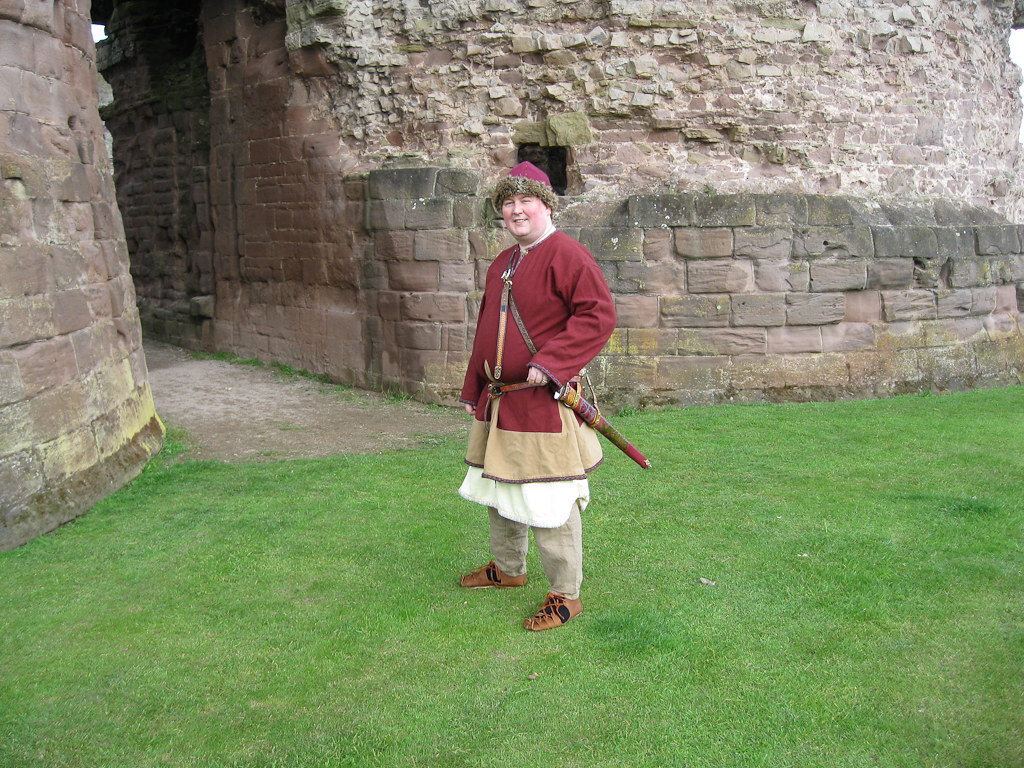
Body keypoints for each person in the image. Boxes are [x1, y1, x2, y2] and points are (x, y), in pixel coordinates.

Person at [457, 161, 616, 631]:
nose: (515, 210)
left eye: (525, 200)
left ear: (546, 205)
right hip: (499, 400)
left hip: (540, 403)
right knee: (499, 488)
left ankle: (565, 596)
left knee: (549, 499)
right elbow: (487, 331)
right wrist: (473, 387)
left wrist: (550, 365)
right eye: (508, 203)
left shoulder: (568, 254)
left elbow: (597, 316)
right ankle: (508, 570)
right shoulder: (502, 264)